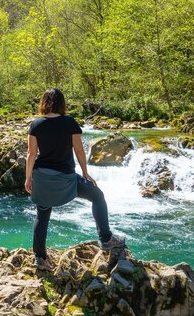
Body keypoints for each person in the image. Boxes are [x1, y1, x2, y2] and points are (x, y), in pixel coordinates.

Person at [25, 88, 125, 269]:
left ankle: (40, 258)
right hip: (67, 179)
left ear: (44, 103)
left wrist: (28, 178)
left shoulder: (36, 125)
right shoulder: (70, 123)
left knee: (42, 213)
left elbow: (31, 154)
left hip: (42, 177)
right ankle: (106, 239)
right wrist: (86, 173)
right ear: (62, 103)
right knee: (97, 196)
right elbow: (79, 150)